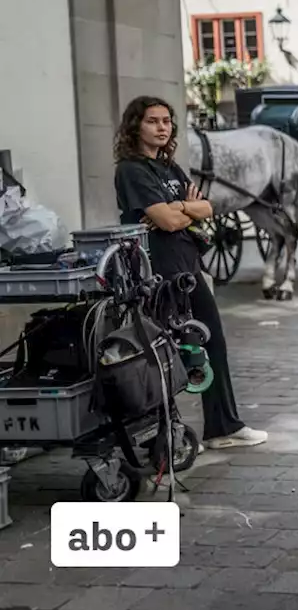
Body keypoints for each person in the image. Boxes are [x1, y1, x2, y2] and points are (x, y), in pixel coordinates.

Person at [113, 95, 268, 450]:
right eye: (153, 121)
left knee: (211, 340)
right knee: (163, 352)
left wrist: (180, 207)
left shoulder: (169, 169)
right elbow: (167, 221)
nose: (162, 127)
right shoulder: (132, 171)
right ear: (135, 126)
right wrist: (184, 211)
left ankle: (223, 428)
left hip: (189, 267)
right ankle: (169, 437)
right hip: (157, 273)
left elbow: (207, 206)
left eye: (167, 121)